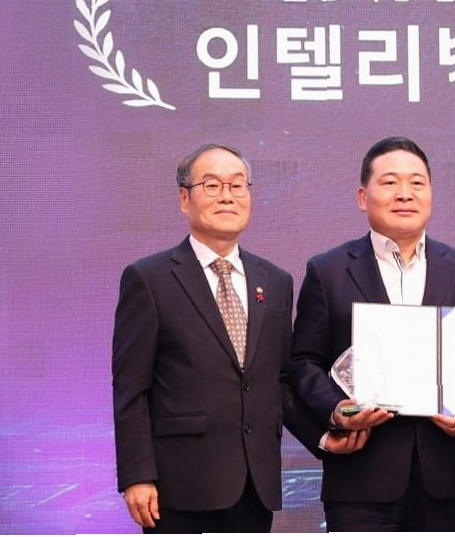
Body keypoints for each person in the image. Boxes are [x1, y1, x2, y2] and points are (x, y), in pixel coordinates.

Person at [288, 136, 455, 531]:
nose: (404, 194)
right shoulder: (328, 270)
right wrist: (338, 410)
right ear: (362, 197)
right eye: (389, 182)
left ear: (431, 194)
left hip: (442, 477)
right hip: (360, 475)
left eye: (417, 183)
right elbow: (303, 362)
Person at [112, 143, 309, 533]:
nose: (227, 196)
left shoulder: (276, 281)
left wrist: (323, 434)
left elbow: (278, 380)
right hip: (179, 486)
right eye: (212, 185)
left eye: (237, 185)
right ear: (184, 199)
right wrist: (137, 475)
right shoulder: (149, 279)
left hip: (254, 485)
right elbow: (131, 388)